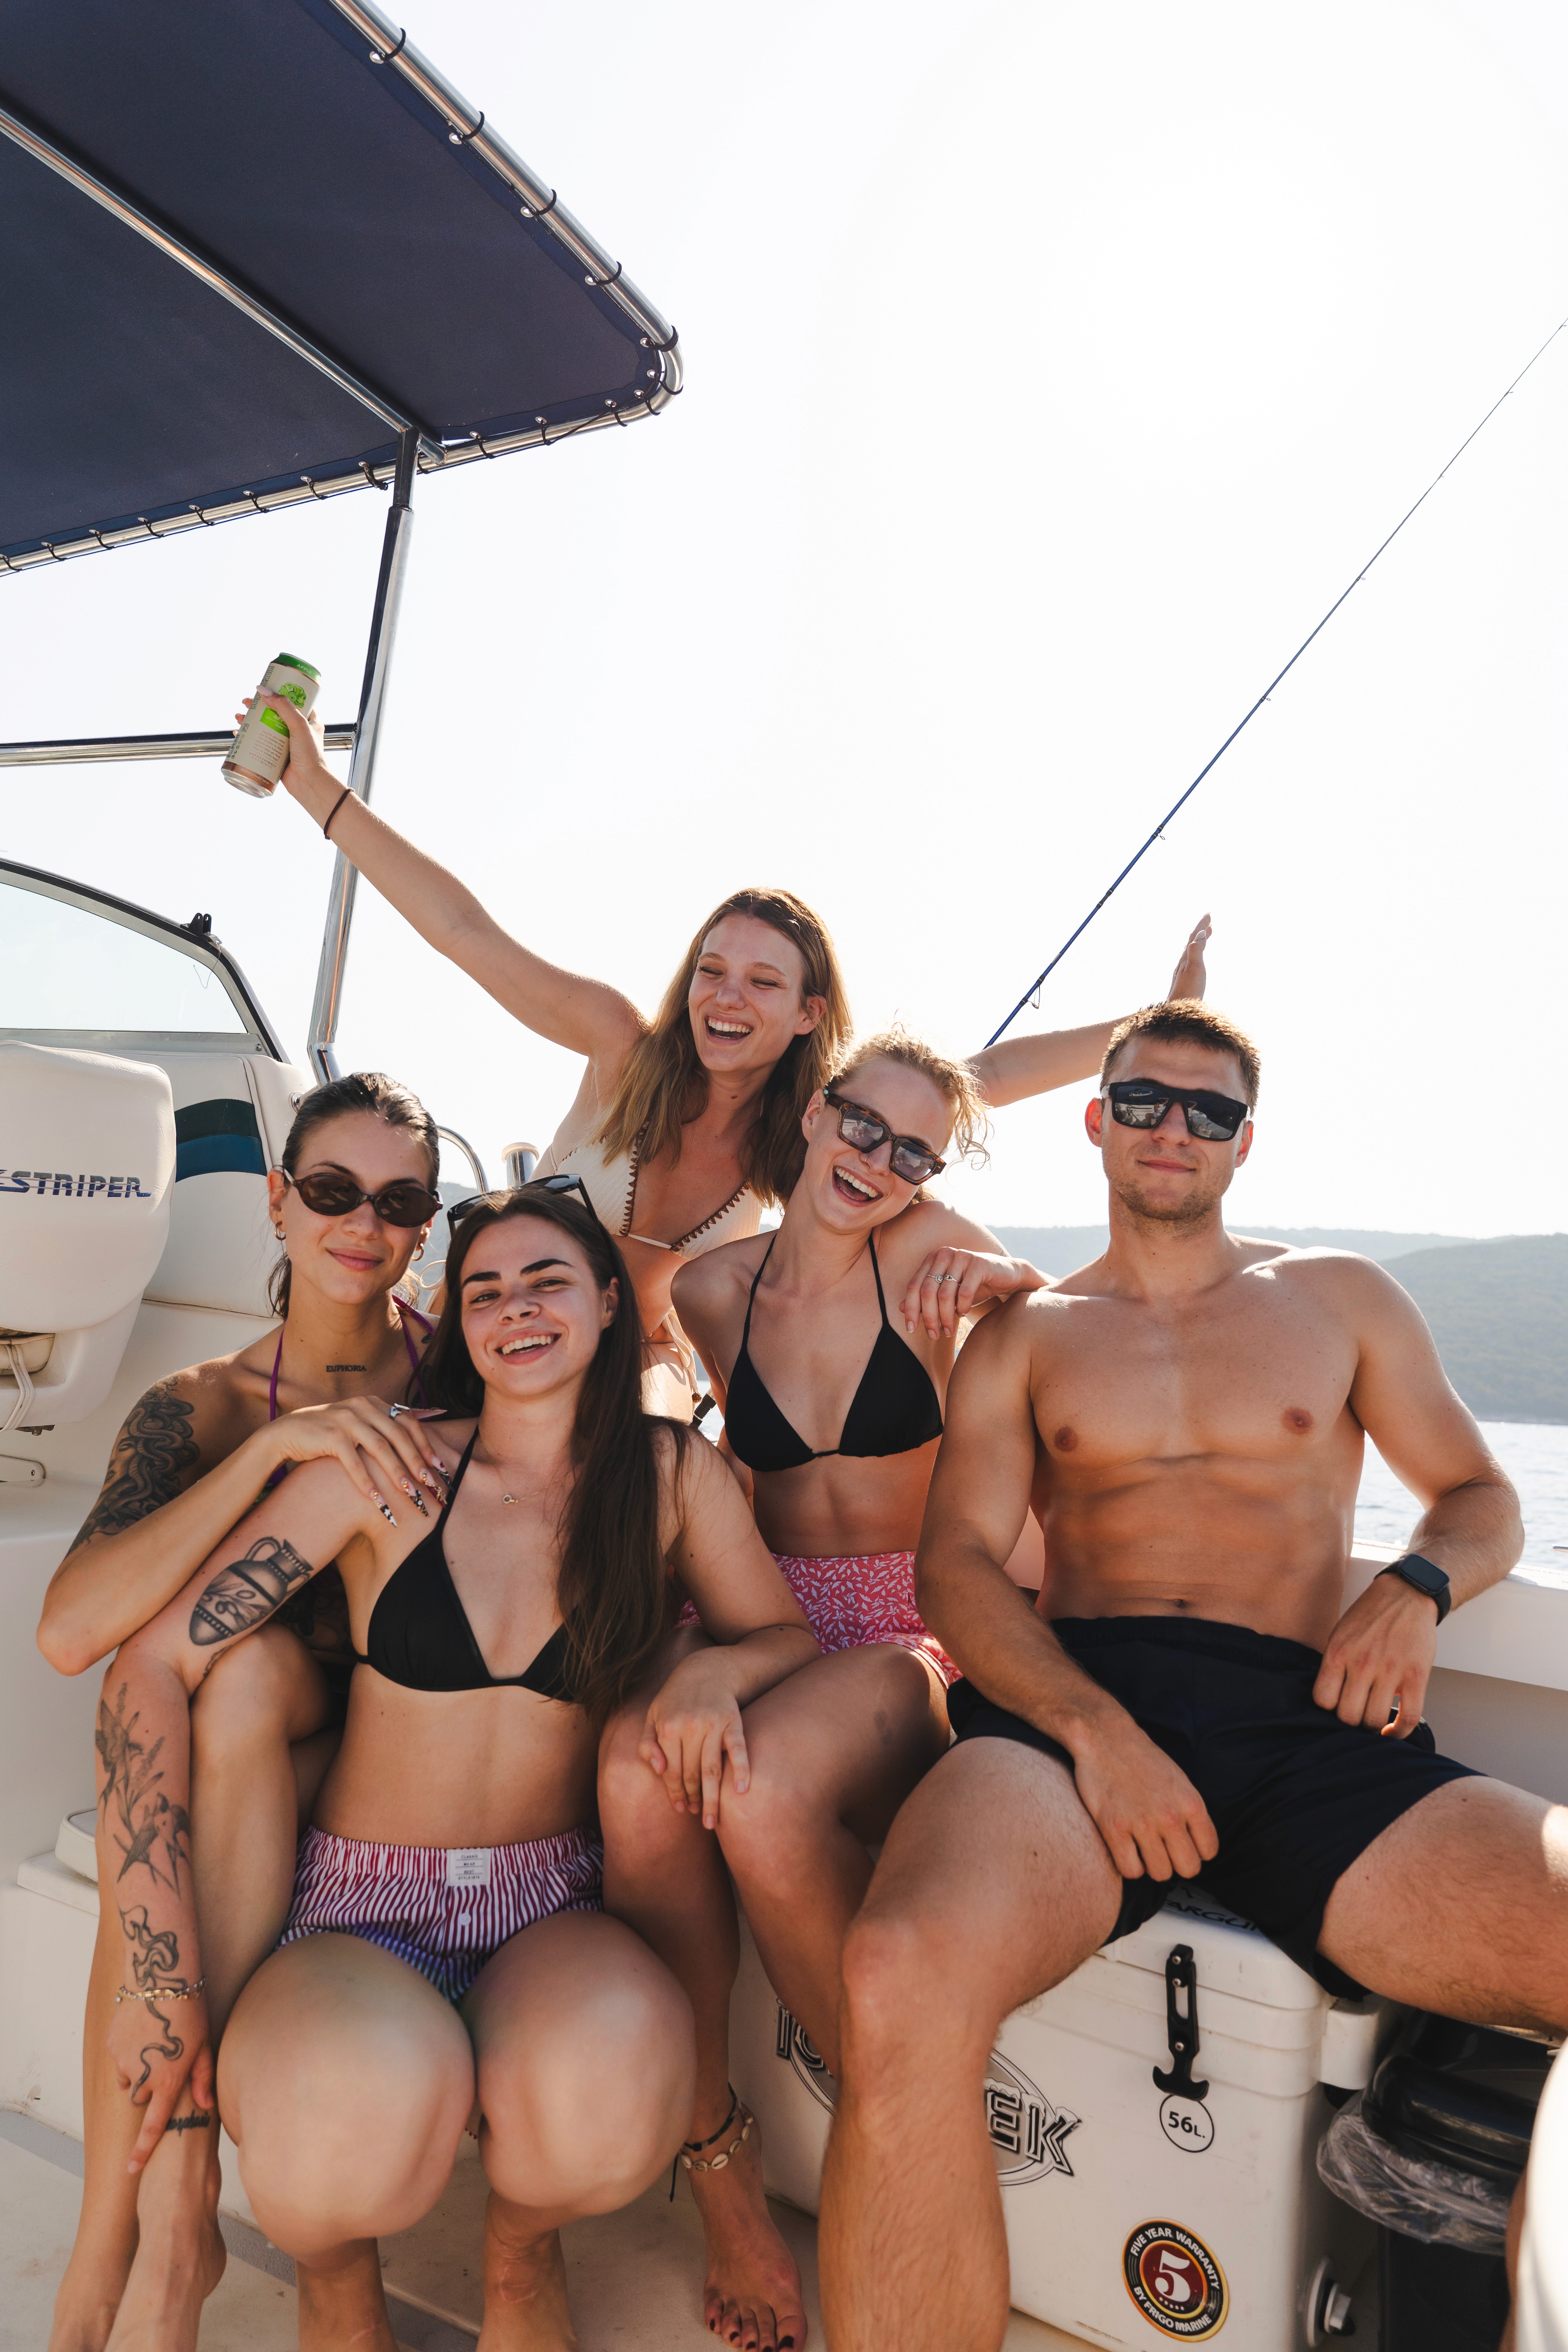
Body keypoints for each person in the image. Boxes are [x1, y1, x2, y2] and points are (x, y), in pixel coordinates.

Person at [818, 1000, 1568, 2352]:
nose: (1177, 1127)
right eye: (1147, 1100)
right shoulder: (1027, 1334)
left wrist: (1415, 1588)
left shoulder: (1338, 1299)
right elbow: (964, 1569)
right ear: (1096, 1121)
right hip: (1068, 1715)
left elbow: (1479, 1494)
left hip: (1306, 1722)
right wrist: (1094, 1731)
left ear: (1244, 1145)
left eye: (1210, 1111)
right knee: (900, 1972)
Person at [89, 1183, 818, 2352]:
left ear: (603, 1310)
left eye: (547, 1282)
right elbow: (154, 1667)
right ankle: (337, 2276)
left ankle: (520, 2250)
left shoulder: (670, 1475)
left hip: (549, 1901)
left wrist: (707, 1676)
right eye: (484, 1290)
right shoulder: (386, 1469)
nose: (515, 1309)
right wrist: (158, 1974)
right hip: (357, 1905)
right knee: (347, 2135)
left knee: (619, 2098)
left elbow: (781, 1635)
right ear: (459, 1325)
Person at [245, 685, 1209, 1417]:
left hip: (625, 1394)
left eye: (761, 981)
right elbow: (463, 929)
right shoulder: (617, 1044)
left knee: (661, 1428)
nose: (725, 997)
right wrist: (314, 785)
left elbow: (976, 1080)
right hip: (480, 1357)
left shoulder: (808, 1136)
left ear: (805, 1013)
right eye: (711, 970)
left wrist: (1155, 1027)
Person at [600, 1029, 1048, 2352]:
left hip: (916, 1626)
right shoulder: (711, 1292)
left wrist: (1008, 1280)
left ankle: (884, 2110)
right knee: (633, 1776)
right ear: (814, 1113)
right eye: (862, 1127)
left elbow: (1059, 1309)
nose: (880, 1163)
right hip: (766, 1613)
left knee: (757, 1787)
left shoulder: (918, 1254)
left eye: (916, 1151)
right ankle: (722, 2163)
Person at [40, 1072, 458, 2352]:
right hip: (236, 1757)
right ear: (278, 1202)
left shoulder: (470, 1374)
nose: (362, 1222)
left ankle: (145, 2237)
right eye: (331, 1190)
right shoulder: (207, 1408)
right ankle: (147, 2225)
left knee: (229, 1709)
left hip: (397, 1764)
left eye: (399, 1201)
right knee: (223, 1704)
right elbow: (73, 1628)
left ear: (426, 1225)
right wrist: (283, 1448)